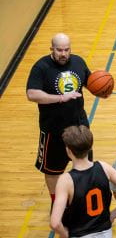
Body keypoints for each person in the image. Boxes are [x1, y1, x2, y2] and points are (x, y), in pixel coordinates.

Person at [26, 33, 92, 207]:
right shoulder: (41, 67)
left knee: (85, 167)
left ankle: (82, 202)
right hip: (53, 130)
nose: (63, 53)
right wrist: (61, 97)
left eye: (67, 49)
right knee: (52, 171)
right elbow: (32, 94)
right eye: (59, 50)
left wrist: (102, 91)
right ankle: (57, 204)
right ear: (52, 49)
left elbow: (90, 82)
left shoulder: (78, 62)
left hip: (80, 128)